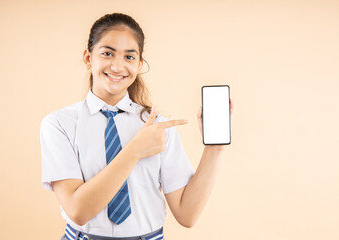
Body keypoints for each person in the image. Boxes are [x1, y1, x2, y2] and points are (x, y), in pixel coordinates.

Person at [40, 12, 233, 240]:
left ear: (140, 64)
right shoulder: (59, 124)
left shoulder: (158, 127)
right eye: (107, 53)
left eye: (129, 57)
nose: (118, 65)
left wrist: (214, 149)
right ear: (88, 58)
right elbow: (78, 211)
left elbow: (186, 214)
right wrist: (135, 151)